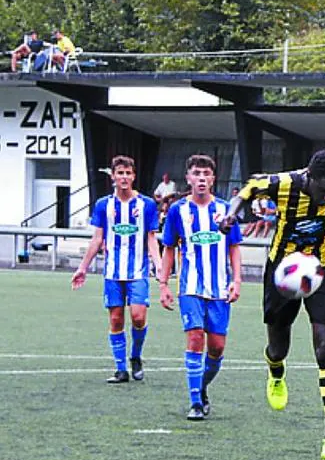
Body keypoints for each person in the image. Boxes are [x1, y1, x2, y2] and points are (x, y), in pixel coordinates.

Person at [221, 150, 325, 460]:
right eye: (322, 192)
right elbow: (249, 189)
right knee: (278, 346)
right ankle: (276, 371)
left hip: (324, 265)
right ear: (308, 178)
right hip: (283, 269)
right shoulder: (284, 184)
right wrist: (231, 213)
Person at [158, 154, 243, 420]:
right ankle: (195, 402)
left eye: (206, 174)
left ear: (213, 179)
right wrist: (163, 284)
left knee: (216, 348)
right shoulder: (177, 211)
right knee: (195, 338)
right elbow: (169, 248)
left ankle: (202, 387)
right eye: (197, 173)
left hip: (219, 290)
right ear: (189, 178)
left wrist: (237, 280)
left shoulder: (225, 209)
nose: (202, 179)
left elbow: (234, 247)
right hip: (190, 288)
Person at [70, 155, 161, 383]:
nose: (124, 177)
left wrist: (159, 266)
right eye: (120, 173)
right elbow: (97, 239)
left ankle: (136, 356)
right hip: (112, 273)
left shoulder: (147, 205)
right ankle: (121, 369)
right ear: (113, 176)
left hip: (138, 271)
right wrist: (83, 268)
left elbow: (151, 238)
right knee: (116, 320)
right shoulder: (104, 205)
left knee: (138, 317)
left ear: (133, 176)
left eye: (128, 173)